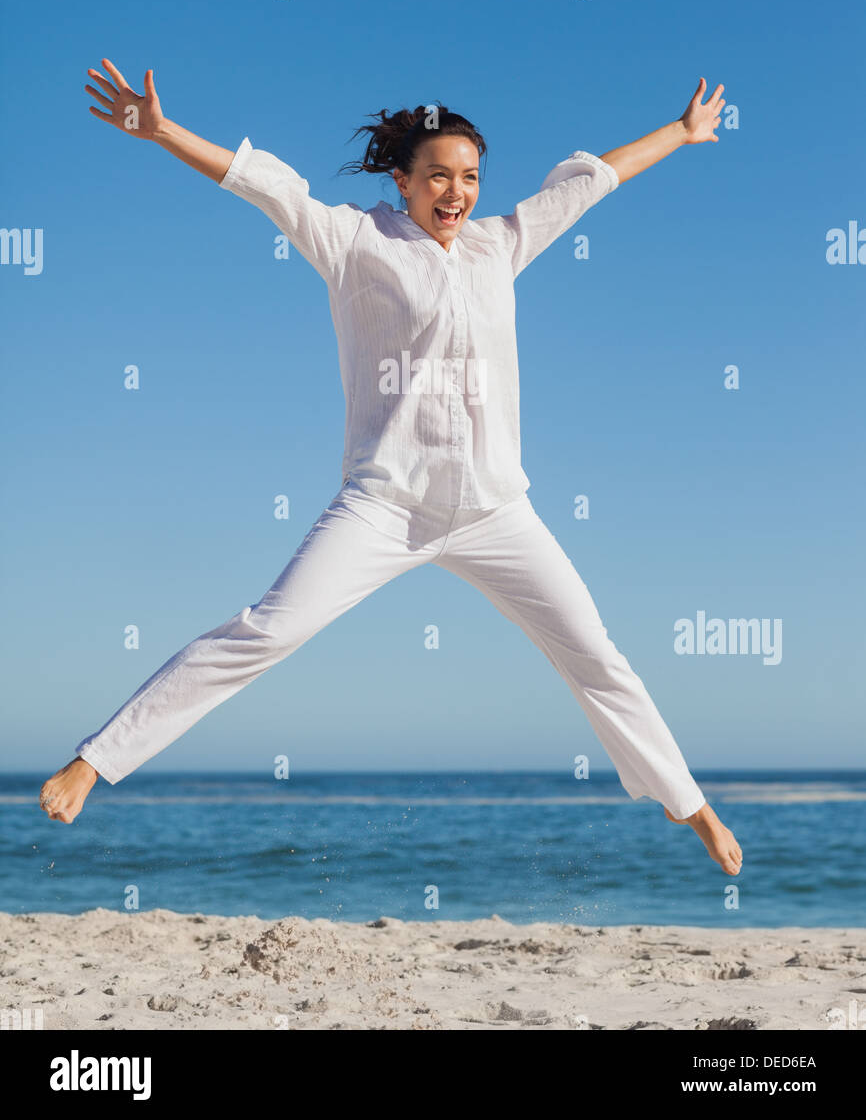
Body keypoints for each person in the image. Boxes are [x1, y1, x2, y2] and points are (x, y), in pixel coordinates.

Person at [39, 59, 742, 876]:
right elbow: (263, 184)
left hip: (493, 509)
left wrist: (683, 133)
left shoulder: (499, 245)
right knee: (269, 629)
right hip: (385, 502)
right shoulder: (354, 241)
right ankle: (94, 760)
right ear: (403, 180)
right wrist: (159, 130)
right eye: (438, 176)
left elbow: (592, 182)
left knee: (595, 652)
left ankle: (692, 807)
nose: (457, 192)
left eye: (470, 177)